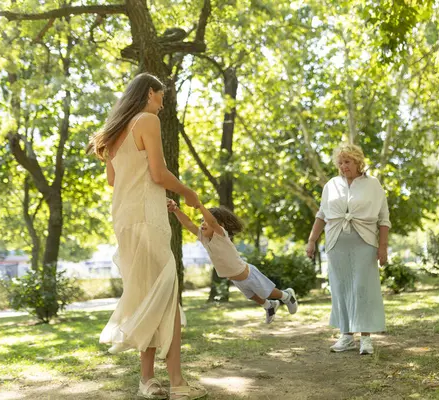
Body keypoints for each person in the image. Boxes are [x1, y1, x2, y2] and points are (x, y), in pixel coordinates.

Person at [87, 73, 207, 399]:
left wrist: (158, 196)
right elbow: (157, 172)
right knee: (166, 298)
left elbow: (116, 181)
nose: (163, 103)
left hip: (124, 221)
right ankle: (179, 384)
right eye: (161, 95)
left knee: (147, 297)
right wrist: (188, 193)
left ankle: (147, 381)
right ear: (149, 94)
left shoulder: (114, 133)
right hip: (147, 219)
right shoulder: (147, 120)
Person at [306, 143, 390, 355]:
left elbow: (384, 220)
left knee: (363, 288)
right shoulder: (331, 185)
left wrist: (383, 248)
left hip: (365, 243)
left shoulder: (373, 185)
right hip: (336, 244)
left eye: (347, 161)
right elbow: (321, 216)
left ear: (358, 162)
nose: (343, 166)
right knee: (340, 288)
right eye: (340, 162)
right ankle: (346, 336)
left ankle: (366, 338)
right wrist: (311, 240)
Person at [167, 199, 299, 322]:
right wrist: (176, 210)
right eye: (201, 220)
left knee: (268, 292)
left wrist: (200, 206)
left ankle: (287, 295)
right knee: (252, 296)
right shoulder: (204, 239)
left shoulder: (221, 235)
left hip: (248, 274)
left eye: (205, 221)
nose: (203, 223)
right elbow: (189, 223)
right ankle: (269, 305)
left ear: (220, 225)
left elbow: (212, 222)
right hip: (236, 278)